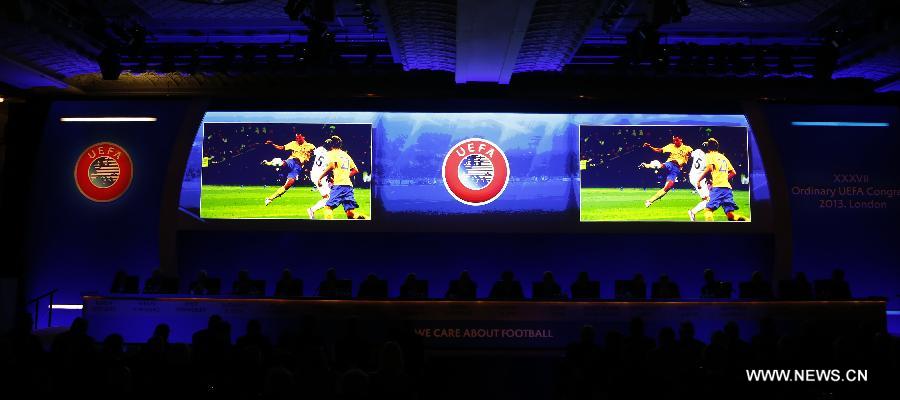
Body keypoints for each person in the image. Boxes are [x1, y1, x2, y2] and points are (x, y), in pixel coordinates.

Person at [693, 138, 749, 221]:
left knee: (708, 210)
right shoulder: (723, 157)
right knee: (731, 215)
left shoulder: (709, 155)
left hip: (717, 188)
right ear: (717, 147)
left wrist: (698, 180)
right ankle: (748, 221)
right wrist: (723, 179)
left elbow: (709, 169)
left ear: (708, 147)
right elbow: (733, 172)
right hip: (727, 188)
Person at [316, 135, 368, 220]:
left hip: (339, 185)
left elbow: (332, 165)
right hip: (348, 186)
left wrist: (320, 177)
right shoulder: (345, 155)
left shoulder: (331, 153)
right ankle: (367, 219)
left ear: (332, 144)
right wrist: (344, 175)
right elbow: (355, 170)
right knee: (350, 214)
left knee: (328, 208)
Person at [262, 132, 315, 206]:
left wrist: (309, 167)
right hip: (292, 161)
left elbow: (314, 157)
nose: (297, 139)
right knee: (282, 163)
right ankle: (269, 163)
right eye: (296, 138)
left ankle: (270, 198)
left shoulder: (311, 146)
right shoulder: (293, 143)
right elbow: (281, 147)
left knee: (289, 184)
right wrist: (272, 144)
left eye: (299, 137)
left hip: (298, 167)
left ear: (303, 137)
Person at [640, 135, 693, 207]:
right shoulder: (671, 146)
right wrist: (650, 147)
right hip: (670, 164)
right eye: (673, 140)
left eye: (676, 140)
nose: (674, 142)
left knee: (668, 187)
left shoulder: (687, 148)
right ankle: (646, 165)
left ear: (681, 139)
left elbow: (693, 156)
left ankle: (650, 201)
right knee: (661, 166)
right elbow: (659, 150)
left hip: (676, 170)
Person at [307, 138, 334, 219]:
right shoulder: (329, 155)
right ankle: (312, 210)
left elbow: (312, 153)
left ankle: (315, 210)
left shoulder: (319, 149)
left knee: (327, 196)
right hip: (320, 176)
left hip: (314, 173)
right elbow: (329, 168)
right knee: (329, 198)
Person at [687, 141, 711, 221]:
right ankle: (692, 212)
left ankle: (694, 212)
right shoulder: (707, 157)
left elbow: (689, 155)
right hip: (699, 179)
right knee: (708, 200)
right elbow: (707, 171)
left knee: (705, 199)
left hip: (692, 176)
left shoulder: (697, 151)